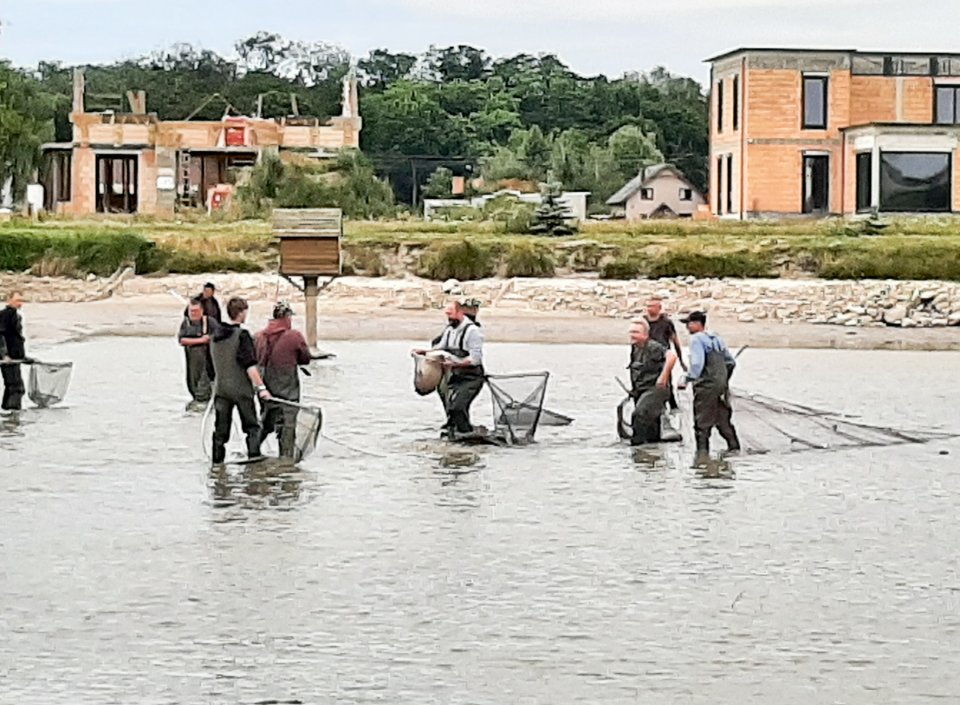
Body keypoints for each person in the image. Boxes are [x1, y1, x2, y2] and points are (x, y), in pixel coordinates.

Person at [209, 297, 271, 464]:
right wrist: (261, 388)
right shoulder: (242, 335)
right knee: (251, 427)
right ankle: (254, 461)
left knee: (220, 431)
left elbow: (211, 366)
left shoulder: (214, 336)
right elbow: (250, 365)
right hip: (241, 390)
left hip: (221, 390)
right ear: (242, 313)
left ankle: (217, 465)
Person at [415, 301, 486, 439]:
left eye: (450, 314)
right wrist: (424, 352)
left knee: (458, 407)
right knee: (451, 409)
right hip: (455, 376)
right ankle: (459, 437)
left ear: (460, 313)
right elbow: (440, 348)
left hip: (472, 378)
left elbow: (475, 359)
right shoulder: (450, 330)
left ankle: (466, 436)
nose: (448, 318)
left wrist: (455, 363)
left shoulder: (472, 331)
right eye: (447, 315)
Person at [255, 300, 312, 459]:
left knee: (266, 422)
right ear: (287, 318)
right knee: (287, 425)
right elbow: (305, 358)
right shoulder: (294, 336)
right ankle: (286, 463)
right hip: (287, 391)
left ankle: (252, 450)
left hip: (264, 389)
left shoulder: (258, 336)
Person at [679, 311, 741, 457]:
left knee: (702, 423)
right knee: (723, 420)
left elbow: (697, 365)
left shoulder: (696, 339)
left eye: (688, 324)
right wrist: (723, 380)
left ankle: (702, 456)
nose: (687, 327)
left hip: (706, 386)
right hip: (721, 387)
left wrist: (687, 379)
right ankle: (734, 450)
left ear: (696, 324)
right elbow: (730, 362)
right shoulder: (716, 338)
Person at [626, 318, 678, 445]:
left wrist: (663, 376)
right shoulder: (635, 348)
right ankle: (651, 454)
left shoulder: (653, 346)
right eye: (631, 332)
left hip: (656, 389)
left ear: (645, 334)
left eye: (636, 332)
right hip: (641, 389)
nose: (632, 335)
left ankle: (636, 446)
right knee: (652, 424)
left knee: (639, 414)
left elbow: (672, 356)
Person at [644, 297, 687, 411]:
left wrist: (681, 360)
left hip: (663, 357)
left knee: (666, 382)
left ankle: (673, 406)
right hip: (647, 357)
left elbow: (675, 340)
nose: (649, 309)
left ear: (659, 308)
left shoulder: (666, 322)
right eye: (647, 306)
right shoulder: (643, 321)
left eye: (652, 306)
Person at [178, 297, 213, 407]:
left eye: (195, 311)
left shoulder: (208, 322)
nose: (193, 314)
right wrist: (201, 340)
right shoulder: (186, 323)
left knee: (203, 391)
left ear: (202, 311)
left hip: (207, 364)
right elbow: (181, 340)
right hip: (191, 363)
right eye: (191, 311)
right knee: (192, 385)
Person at [0, 291, 30, 411]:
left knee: (12, 387)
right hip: (8, 358)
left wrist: (23, 356)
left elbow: (17, 338)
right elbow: (0, 335)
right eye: (17, 300)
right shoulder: (4, 315)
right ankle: (13, 414)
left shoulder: (16, 315)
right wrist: (4, 354)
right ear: (9, 300)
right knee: (16, 387)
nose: (20, 303)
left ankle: (7, 413)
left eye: (21, 301)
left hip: (16, 356)